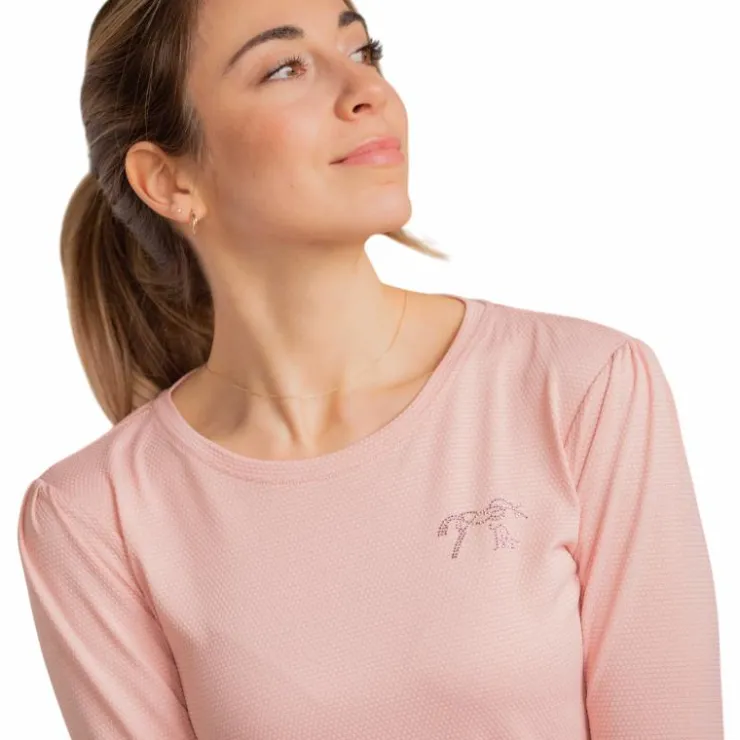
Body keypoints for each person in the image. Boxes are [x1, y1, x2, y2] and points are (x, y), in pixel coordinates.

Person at [16, 0, 724, 737]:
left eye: (364, 51)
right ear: (168, 181)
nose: (367, 91)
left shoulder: (581, 387)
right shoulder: (93, 517)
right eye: (284, 68)